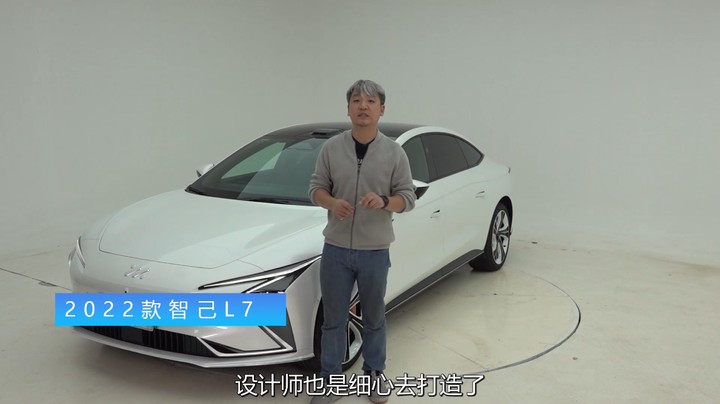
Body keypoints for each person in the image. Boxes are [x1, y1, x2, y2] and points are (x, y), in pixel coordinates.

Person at [308, 79, 416, 403]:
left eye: (370, 101)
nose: (363, 106)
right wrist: (331, 203)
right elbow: (315, 189)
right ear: (348, 109)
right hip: (336, 249)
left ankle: (374, 374)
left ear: (382, 109)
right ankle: (330, 381)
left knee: (373, 318)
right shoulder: (331, 149)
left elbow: (408, 198)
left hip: (375, 251)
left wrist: (384, 201)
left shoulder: (394, 153)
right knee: (333, 321)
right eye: (356, 100)